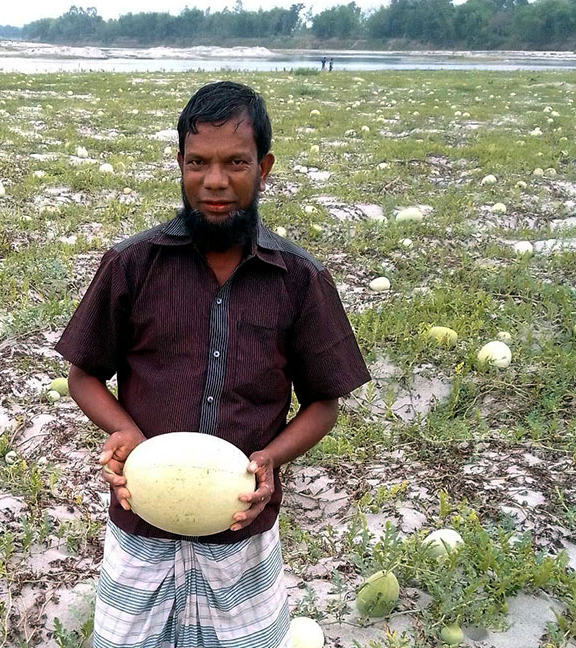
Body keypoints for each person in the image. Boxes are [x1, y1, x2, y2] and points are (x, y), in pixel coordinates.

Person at [55, 80, 371, 647]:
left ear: (264, 167)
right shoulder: (132, 265)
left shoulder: (299, 279)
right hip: (140, 523)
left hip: (239, 531)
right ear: (179, 163)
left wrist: (270, 459)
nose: (215, 181)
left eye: (235, 162)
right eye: (198, 162)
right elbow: (84, 375)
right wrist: (124, 429)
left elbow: (324, 402)